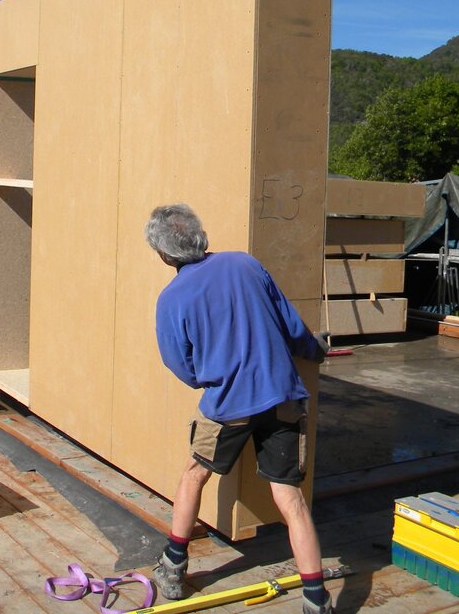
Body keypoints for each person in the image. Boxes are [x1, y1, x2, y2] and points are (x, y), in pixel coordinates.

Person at [144, 203, 334, 614]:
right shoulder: (246, 264)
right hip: (283, 396)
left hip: (228, 404)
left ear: (164, 254)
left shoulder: (172, 298)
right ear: (201, 236)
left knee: (194, 475)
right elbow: (292, 327)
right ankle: (316, 600)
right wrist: (314, 351)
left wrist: (207, 378)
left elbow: (180, 364)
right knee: (291, 500)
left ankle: (174, 567)